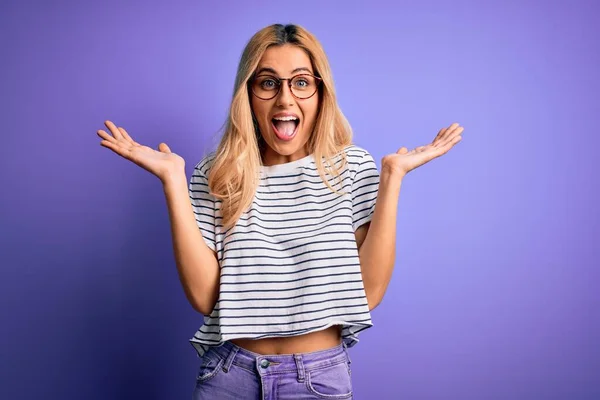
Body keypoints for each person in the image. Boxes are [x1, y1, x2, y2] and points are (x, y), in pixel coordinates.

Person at [97, 23, 463, 400]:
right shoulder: (217, 173)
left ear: (320, 93)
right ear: (249, 94)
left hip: (317, 379)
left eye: (301, 82)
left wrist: (392, 179)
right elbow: (206, 298)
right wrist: (173, 179)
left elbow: (367, 294)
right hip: (228, 375)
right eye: (268, 83)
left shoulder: (352, 168)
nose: (285, 99)